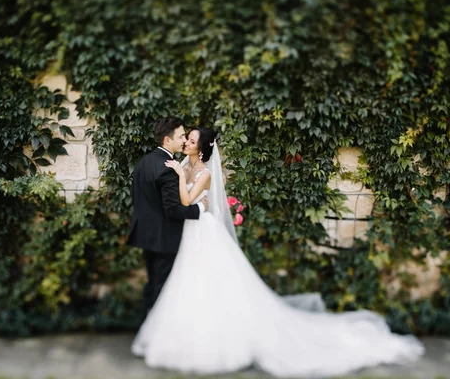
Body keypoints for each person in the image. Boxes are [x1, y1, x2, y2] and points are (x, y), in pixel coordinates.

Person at [131, 127, 425, 378]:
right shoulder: (183, 162)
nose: (186, 142)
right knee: (190, 285)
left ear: (203, 148)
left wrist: (181, 177)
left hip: (203, 233)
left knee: (209, 283)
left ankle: (222, 342)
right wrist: (181, 171)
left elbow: (185, 200)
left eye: (192, 140)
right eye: (186, 138)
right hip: (192, 231)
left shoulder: (204, 172)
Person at [128, 117, 206, 326]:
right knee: (162, 287)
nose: (183, 140)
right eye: (181, 136)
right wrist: (201, 210)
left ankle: (145, 329)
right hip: (164, 238)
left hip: (147, 234)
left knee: (153, 283)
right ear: (166, 140)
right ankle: (153, 334)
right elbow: (173, 210)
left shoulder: (144, 162)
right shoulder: (167, 168)